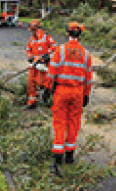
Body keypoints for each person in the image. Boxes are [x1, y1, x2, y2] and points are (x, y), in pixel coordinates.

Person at [45, 22, 92, 175]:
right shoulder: (86, 54)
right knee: (73, 122)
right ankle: (70, 156)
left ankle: (58, 159)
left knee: (60, 123)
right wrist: (86, 94)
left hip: (62, 91)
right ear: (80, 35)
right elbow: (88, 78)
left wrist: (47, 88)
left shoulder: (61, 50)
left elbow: (52, 71)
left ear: (67, 33)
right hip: (78, 92)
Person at [25, 19, 57, 109]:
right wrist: (30, 57)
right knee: (31, 81)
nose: (32, 32)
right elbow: (28, 49)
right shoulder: (32, 39)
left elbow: (54, 48)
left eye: (33, 30)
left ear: (37, 28)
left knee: (44, 82)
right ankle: (32, 100)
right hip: (35, 64)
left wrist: (47, 55)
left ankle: (49, 100)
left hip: (45, 65)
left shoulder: (47, 37)